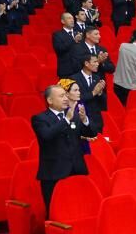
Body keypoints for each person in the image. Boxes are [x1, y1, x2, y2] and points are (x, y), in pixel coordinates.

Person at [32, 85, 95, 214]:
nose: (66, 98)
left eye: (66, 95)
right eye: (61, 96)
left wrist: (84, 120)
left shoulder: (73, 115)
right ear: (50, 100)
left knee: (80, 209)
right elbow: (47, 135)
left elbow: (90, 134)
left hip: (77, 170)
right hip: (54, 173)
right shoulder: (40, 119)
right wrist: (66, 120)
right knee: (56, 211)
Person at [57, 78, 95, 154]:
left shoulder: (81, 105)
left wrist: (85, 120)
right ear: (66, 94)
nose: (79, 92)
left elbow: (90, 128)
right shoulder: (60, 110)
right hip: (68, 148)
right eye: (75, 90)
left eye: (79, 90)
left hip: (83, 146)